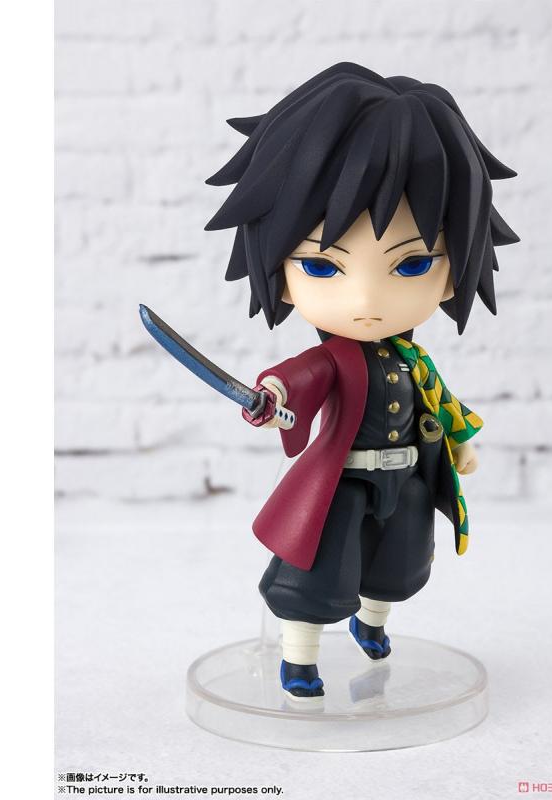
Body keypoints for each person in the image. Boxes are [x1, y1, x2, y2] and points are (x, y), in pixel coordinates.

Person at [205, 62, 518, 701]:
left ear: (456, 268)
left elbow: (440, 403)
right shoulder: (334, 360)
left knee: (399, 562)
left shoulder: (414, 360)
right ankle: (299, 659)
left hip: (406, 477)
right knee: (316, 571)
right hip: (343, 484)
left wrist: (457, 442)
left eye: (413, 264)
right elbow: (297, 378)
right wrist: (272, 397)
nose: (367, 301)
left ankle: (373, 624)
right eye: (323, 266)